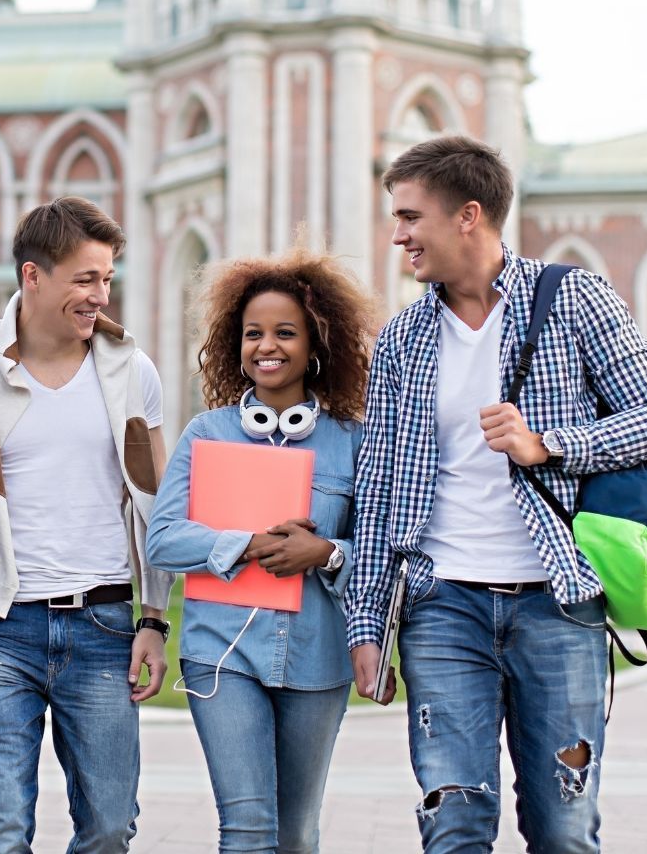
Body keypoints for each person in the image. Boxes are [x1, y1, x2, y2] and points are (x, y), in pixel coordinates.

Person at [345, 136, 647, 853]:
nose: (399, 234)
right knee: (455, 820)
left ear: (468, 215)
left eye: (411, 217)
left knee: (562, 828)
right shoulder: (402, 340)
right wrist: (367, 623)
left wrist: (550, 443)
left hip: (557, 603)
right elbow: (375, 490)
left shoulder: (573, 300)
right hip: (443, 609)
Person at [0, 196, 172, 853]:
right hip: (0, 629)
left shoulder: (132, 372)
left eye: (108, 278)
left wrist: (154, 620)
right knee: (1, 827)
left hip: (106, 626)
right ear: (33, 276)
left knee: (110, 828)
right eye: (85, 279)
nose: (100, 294)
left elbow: (158, 505)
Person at [145, 249, 379, 853]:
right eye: (253, 333)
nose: (266, 346)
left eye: (284, 332)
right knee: (247, 828)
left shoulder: (352, 439)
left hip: (316, 660)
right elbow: (164, 538)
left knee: (296, 835)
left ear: (315, 343)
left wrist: (325, 553)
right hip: (222, 655)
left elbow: (379, 551)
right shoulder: (206, 433)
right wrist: (245, 545)